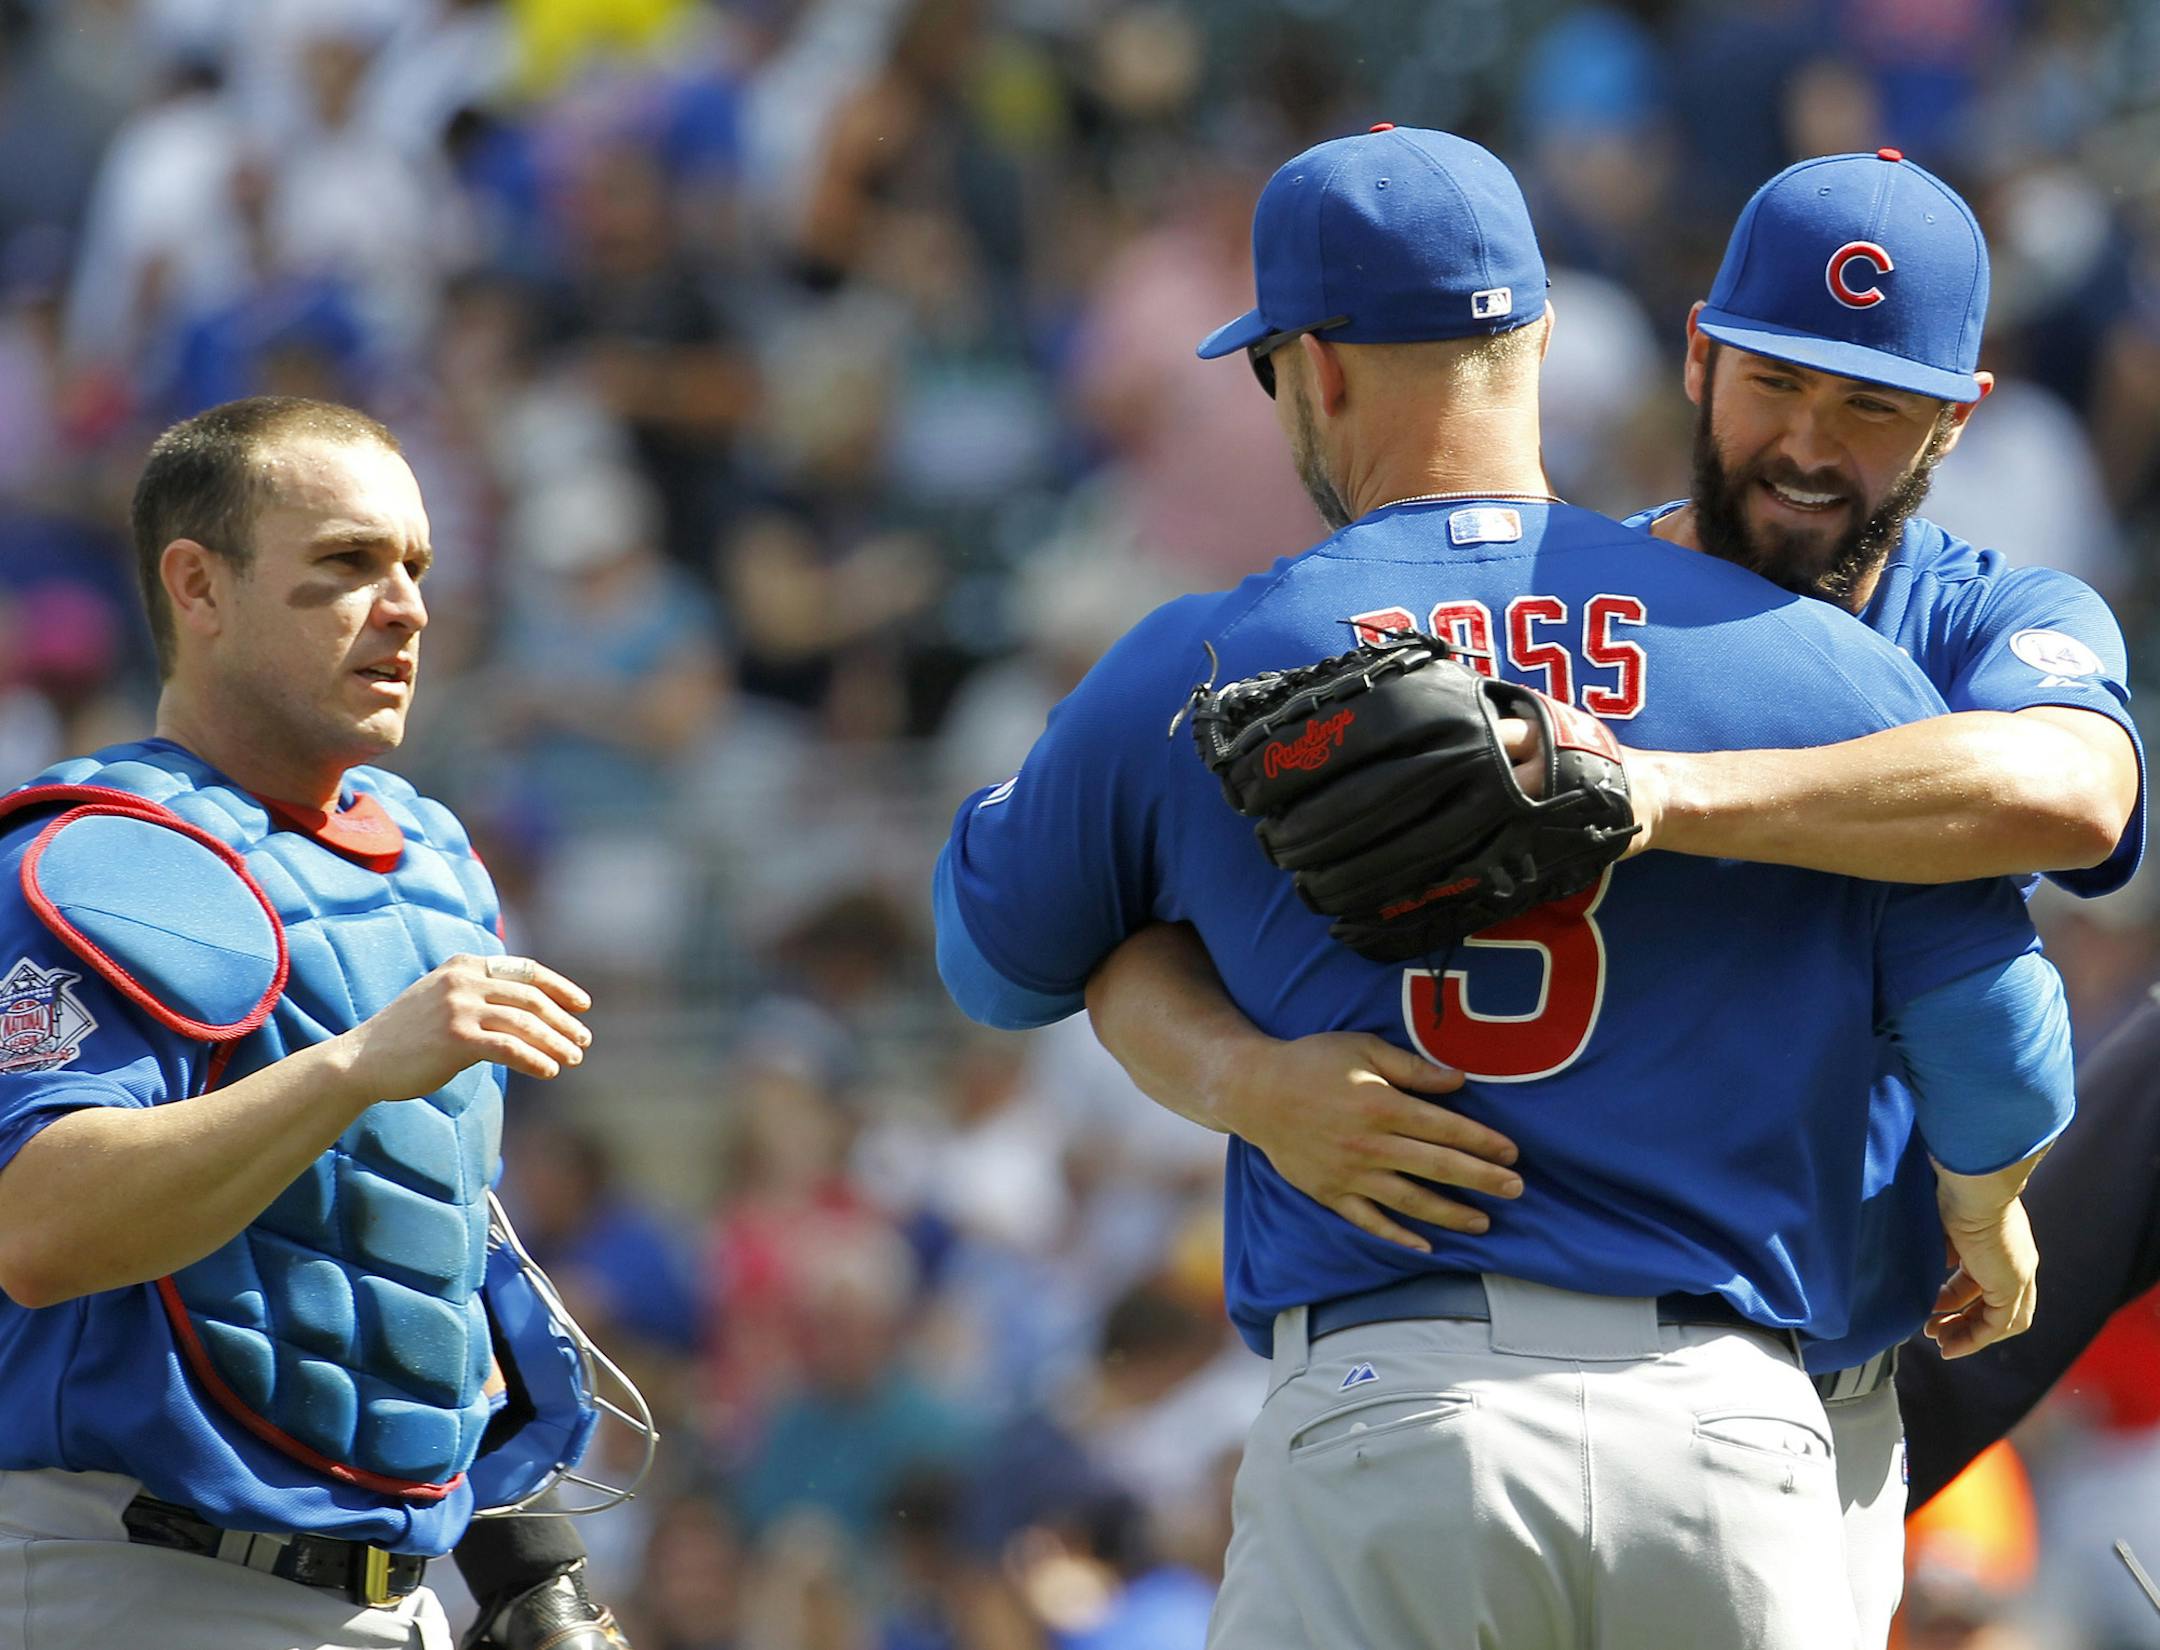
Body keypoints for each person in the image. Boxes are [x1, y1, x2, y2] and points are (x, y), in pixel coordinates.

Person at [934, 127, 2075, 1649]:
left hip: (1391, 1415)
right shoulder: (1833, 669)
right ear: (1539, 338)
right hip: (1732, 1440)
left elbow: (996, 960)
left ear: (1314, 367)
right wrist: (1985, 1200)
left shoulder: (1209, 662)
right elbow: (2003, 1052)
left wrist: (1237, 1063)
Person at [0, 397, 633, 1650]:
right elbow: (40, 1224)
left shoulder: (433, 862)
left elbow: (415, 1240)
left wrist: (524, 1561)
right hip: (135, 1581)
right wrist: (351, 1068)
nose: (403, 607)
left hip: (391, 1597)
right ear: (199, 586)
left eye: (415, 568)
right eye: (345, 565)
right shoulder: (100, 859)